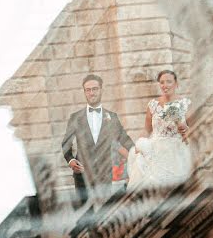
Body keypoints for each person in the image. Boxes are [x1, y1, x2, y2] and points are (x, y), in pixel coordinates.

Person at [62, 74, 134, 205]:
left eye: (94, 89)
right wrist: (71, 160)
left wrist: (137, 152)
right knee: (84, 212)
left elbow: (124, 139)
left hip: (104, 172)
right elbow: (65, 144)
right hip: (82, 173)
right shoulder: (75, 118)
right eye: (88, 90)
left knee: (104, 211)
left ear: (101, 90)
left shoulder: (112, 117)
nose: (91, 93)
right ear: (84, 92)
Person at [127, 70, 192, 189]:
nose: (165, 85)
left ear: (176, 84)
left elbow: (191, 128)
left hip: (176, 148)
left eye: (169, 81)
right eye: (162, 82)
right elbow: (147, 130)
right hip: (156, 148)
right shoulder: (153, 104)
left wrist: (185, 128)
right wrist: (140, 142)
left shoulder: (185, 104)